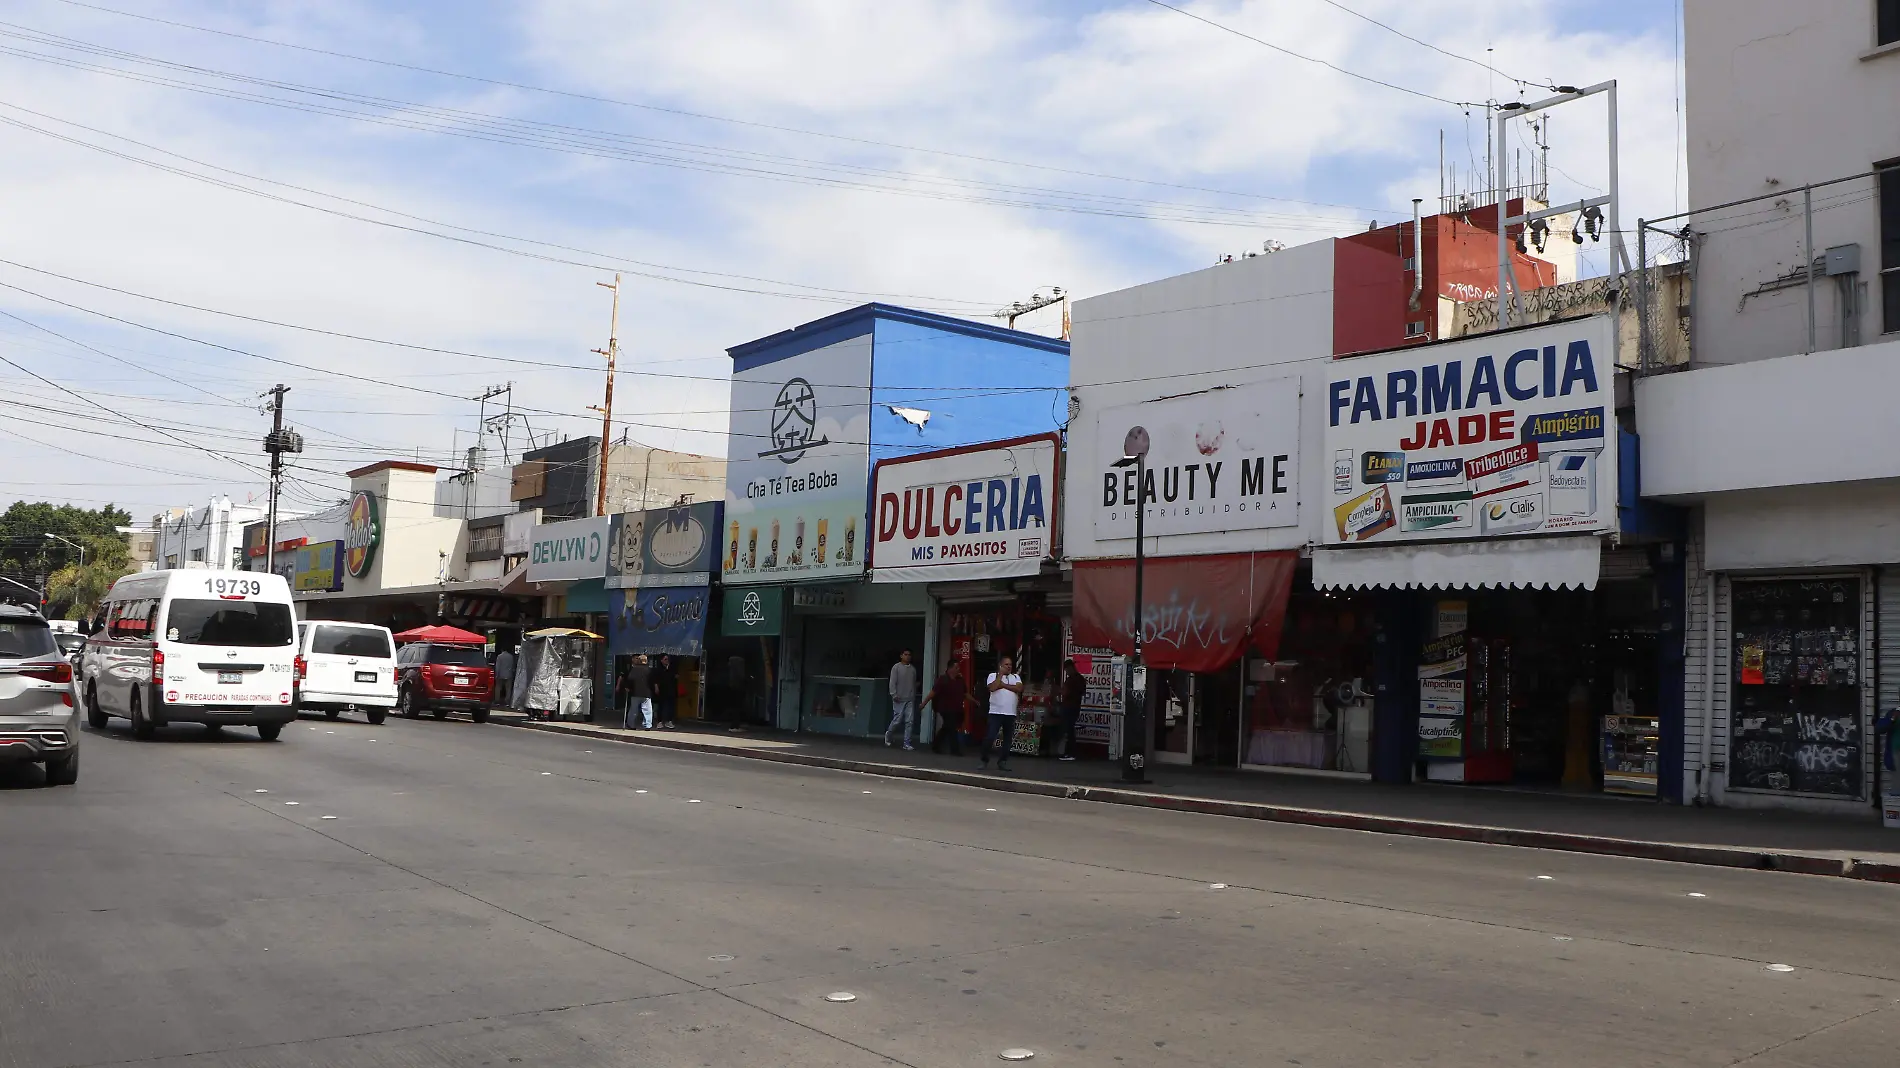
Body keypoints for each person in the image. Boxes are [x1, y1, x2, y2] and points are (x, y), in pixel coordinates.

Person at [980, 655, 1024, 772]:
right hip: (995, 712)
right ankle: (984, 759)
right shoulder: (992, 676)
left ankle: (1003, 761)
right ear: (1000, 665)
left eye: (1010, 664)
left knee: (1008, 739)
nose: (1009, 667)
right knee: (990, 737)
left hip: (1010, 713)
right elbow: (993, 687)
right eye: (1006, 664)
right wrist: (1000, 675)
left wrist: (1003, 685)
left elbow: (1019, 689)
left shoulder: (1015, 677)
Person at [922, 664, 969, 756]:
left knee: (947, 727)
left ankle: (936, 745)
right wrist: (924, 703)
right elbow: (933, 693)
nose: (958, 669)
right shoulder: (942, 680)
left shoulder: (960, 680)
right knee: (952, 727)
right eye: (956, 667)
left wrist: (975, 701)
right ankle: (954, 750)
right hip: (945, 708)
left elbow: (965, 693)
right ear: (950, 669)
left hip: (957, 708)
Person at [884, 648, 919, 750]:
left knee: (909, 721)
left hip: (910, 698)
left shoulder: (912, 669)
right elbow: (892, 682)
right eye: (905, 654)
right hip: (899, 698)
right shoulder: (896, 668)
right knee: (897, 720)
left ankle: (906, 743)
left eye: (909, 655)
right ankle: (888, 735)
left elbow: (913, 683)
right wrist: (894, 694)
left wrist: (913, 695)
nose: (908, 656)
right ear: (901, 656)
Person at [1058, 659, 1087, 761]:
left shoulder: (1071, 680)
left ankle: (1070, 753)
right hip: (1076, 707)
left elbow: (1065, 693)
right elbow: (1083, 692)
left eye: (1066, 670)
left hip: (1069, 707)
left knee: (1068, 730)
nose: (1066, 672)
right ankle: (1070, 752)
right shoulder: (1080, 679)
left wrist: (1060, 691)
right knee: (1070, 729)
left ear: (1069, 668)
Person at [620, 654, 654, 730]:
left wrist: (628, 687)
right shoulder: (649, 670)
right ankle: (647, 725)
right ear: (646, 661)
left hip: (635, 692)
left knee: (634, 710)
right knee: (647, 710)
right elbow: (652, 681)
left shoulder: (634, 669)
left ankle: (631, 724)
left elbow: (630, 679)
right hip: (646, 693)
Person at [651, 654, 678, 730]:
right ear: (661, 660)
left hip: (671, 689)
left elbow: (675, 676)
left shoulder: (672, 668)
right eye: (665, 659)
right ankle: (659, 721)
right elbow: (655, 679)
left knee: (671, 706)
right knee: (661, 706)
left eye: (668, 659)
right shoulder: (658, 669)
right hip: (662, 689)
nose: (667, 661)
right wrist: (656, 687)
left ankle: (669, 721)